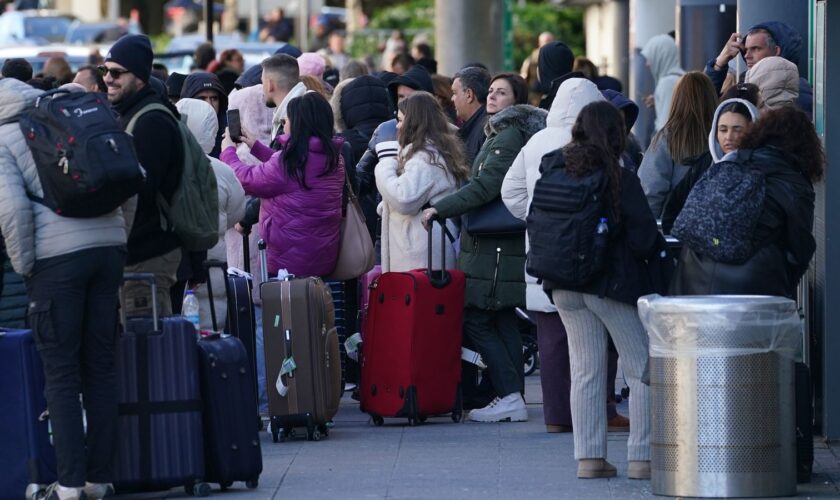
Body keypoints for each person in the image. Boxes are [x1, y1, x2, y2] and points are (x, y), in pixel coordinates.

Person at [0, 77, 126, 500]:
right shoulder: (65, 116)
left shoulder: (2, 137)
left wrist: (26, 266)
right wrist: (117, 236)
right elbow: (128, 178)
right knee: (101, 367)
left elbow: (13, 209)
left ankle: (70, 485)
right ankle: (101, 478)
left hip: (56, 263)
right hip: (109, 249)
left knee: (62, 375)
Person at [502, 77, 630, 434]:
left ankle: (557, 416)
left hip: (543, 250)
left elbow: (509, 192)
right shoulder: (596, 142)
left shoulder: (536, 141)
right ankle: (602, 411)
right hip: (589, 254)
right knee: (598, 340)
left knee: (553, 340)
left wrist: (537, 217)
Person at [421, 73, 547, 422]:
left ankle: (508, 393)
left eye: (501, 93)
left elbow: (486, 185)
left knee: (477, 315)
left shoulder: (506, 135)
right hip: (498, 245)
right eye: (491, 91)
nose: (492, 97)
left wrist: (440, 208)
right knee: (501, 317)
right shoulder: (506, 133)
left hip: (492, 247)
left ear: (515, 101)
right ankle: (514, 397)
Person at [544, 101, 657, 480]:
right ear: (616, 134)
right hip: (609, 285)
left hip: (561, 283)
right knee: (642, 366)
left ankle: (590, 458)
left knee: (586, 371)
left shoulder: (554, 168)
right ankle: (642, 457)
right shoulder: (618, 176)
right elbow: (643, 237)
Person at [670, 106, 821, 298]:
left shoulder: (728, 164)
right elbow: (800, 245)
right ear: (805, 146)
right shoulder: (792, 180)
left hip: (691, 276)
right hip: (751, 287)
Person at [221, 91, 344, 278]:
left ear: (300, 124)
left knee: (287, 307)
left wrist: (228, 150)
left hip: (287, 262)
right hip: (322, 255)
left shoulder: (287, 162)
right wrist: (255, 146)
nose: (284, 123)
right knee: (316, 303)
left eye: (287, 120)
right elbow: (291, 174)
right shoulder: (334, 158)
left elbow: (246, 179)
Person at [104, 34, 184, 317]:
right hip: (135, 252)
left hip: (147, 254)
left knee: (148, 350)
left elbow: (142, 190)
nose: (108, 78)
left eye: (116, 72)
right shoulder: (129, 114)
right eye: (105, 71)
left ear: (139, 76)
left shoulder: (151, 121)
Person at [374, 92, 467, 273]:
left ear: (413, 122)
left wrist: (385, 165)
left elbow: (404, 198)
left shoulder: (424, 157)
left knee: (418, 299)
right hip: (424, 247)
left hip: (419, 251)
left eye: (401, 120)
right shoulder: (435, 152)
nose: (398, 127)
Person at [176, 98, 246, 331]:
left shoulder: (168, 163)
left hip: (177, 270)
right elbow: (237, 212)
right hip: (213, 267)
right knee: (211, 341)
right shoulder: (222, 171)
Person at [356, 64, 434, 242]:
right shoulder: (385, 130)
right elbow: (362, 175)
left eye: (411, 97)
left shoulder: (442, 134)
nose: (405, 103)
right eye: (400, 97)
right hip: (385, 230)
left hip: (425, 231)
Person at [661, 98, 759, 233]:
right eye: (723, 130)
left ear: (752, 130)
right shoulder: (704, 164)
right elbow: (674, 208)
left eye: (737, 130)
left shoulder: (762, 167)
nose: (729, 137)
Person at [638, 72, 718, 218]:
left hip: (674, 228)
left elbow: (651, 190)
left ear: (677, 99)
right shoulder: (721, 136)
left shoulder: (668, 137)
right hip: (711, 226)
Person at [704, 21, 811, 114]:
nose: (747, 56)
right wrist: (719, 64)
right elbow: (702, 108)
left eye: (755, 49)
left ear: (776, 51)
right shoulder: (743, 88)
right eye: (745, 50)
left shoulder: (798, 92)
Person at [641, 34, 685, 133]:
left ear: (661, 56)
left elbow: (665, 129)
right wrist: (658, 100)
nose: (647, 64)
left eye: (651, 58)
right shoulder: (683, 78)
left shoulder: (667, 83)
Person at [261, 54, 307, 147]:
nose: (262, 88)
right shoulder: (307, 109)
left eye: (262, 82)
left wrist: (229, 151)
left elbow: (283, 161)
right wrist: (254, 145)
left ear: (270, 84)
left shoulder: (292, 119)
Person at [180, 71, 228, 157]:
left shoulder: (229, 132)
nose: (209, 104)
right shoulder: (177, 132)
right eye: (202, 98)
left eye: (214, 98)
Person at [451, 66, 491, 164]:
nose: (452, 98)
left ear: (469, 94)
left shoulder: (486, 129)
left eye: (455, 93)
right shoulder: (480, 125)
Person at [536, 41, 575, 110]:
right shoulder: (581, 90)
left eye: (539, 63)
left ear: (546, 68)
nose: (538, 69)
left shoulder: (553, 105)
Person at [520, 31, 554, 105]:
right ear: (539, 43)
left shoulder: (559, 59)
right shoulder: (531, 60)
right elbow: (523, 78)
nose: (548, 44)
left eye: (550, 41)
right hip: (536, 98)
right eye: (546, 41)